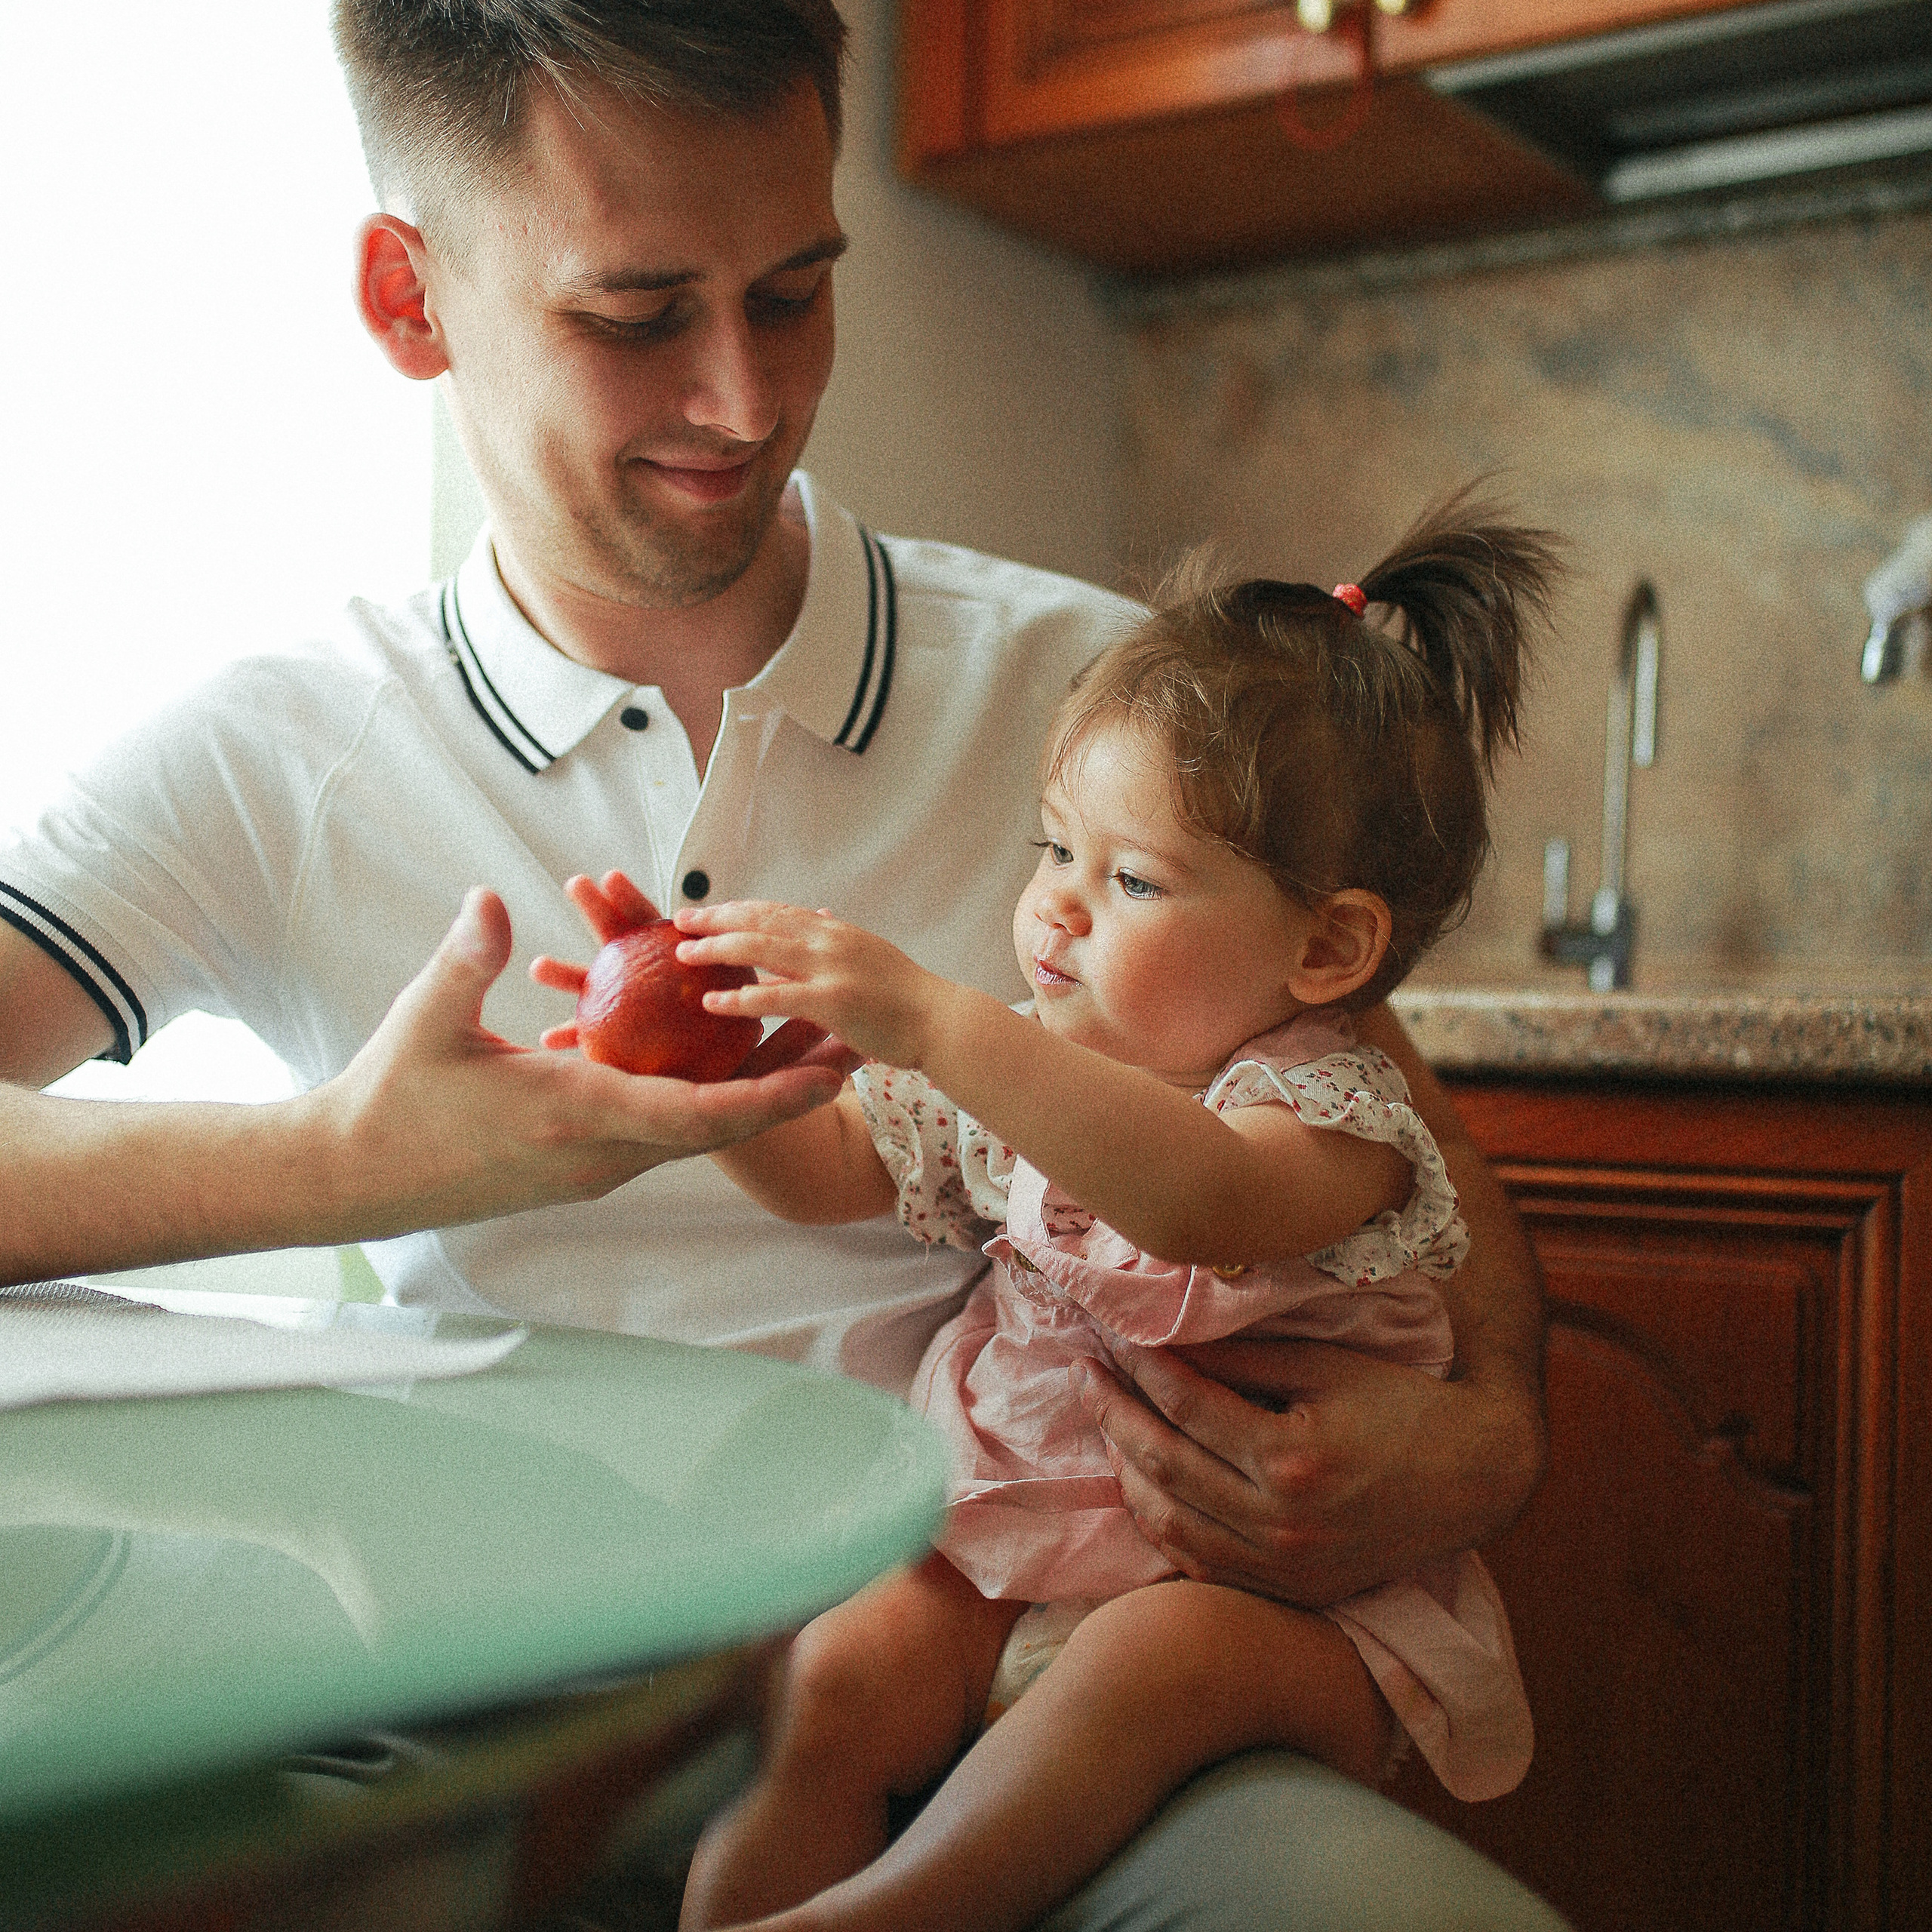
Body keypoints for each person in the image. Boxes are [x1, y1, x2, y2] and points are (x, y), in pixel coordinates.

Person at [0, 4, 1561, 1925]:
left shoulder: (1121, 725)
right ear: (411, 299)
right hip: (452, 1732)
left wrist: (1484, 1432)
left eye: (794, 293)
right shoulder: (271, 748)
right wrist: (352, 1159)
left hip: (1016, 1689)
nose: (742, 400)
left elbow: (1367, 1121)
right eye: (637, 315)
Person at [635, 502, 1553, 1932]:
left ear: (1328, 947)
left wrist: (938, 1023)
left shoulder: (1333, 1115)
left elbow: (1200, 1200)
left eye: (1129, 880)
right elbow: (841, 1171)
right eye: (1053, 849)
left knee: (1143, 1673)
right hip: (1004, 1540)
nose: (1056, 911)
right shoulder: (1033, 1058)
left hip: (1264, 1610)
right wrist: (728, 1086)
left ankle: (892, 1916)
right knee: (839, 1675)